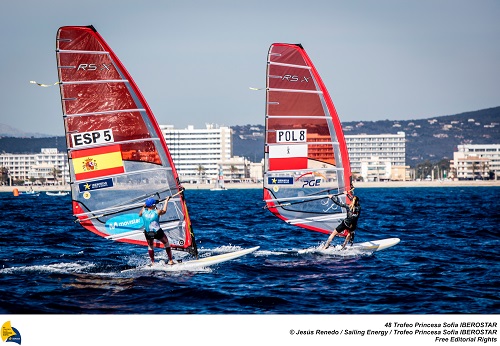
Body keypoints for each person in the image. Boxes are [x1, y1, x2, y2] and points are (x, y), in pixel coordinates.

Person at [139, 196, 174, 265]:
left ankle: (152, 262)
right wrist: (166, 201)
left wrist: (144, 206)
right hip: (157, 232)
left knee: (150, 246)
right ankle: (170, 260)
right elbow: (164, 211)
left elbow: (139, 214)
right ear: (153, 205)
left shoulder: (143, 211)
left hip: (148, 233)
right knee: (166, 243)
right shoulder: (157, 211)